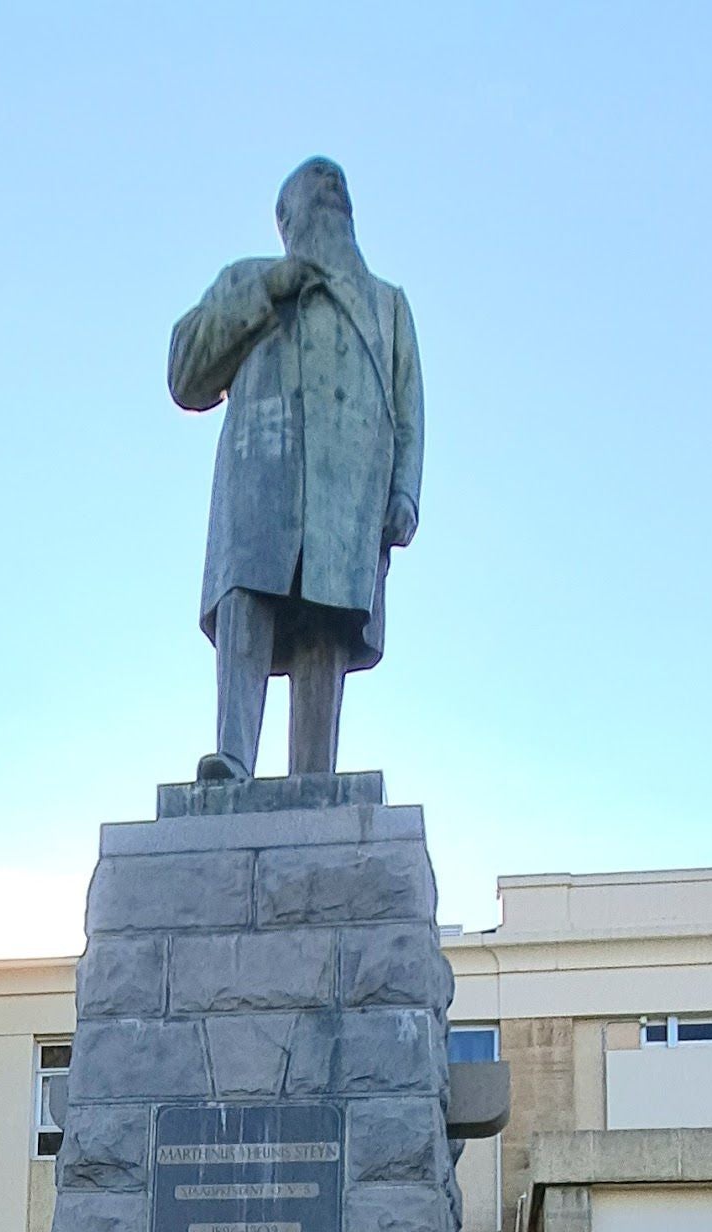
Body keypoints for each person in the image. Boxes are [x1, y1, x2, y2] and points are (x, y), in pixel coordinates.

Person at [169, 157, 423, 781]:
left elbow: (408, 407)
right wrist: (269, 291)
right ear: (286, 218)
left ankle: (315, 775)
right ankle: (234, 754)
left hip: (348, 494)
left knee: (325, 621)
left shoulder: (387, 304)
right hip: (264, 469)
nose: (334, 188)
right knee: (248, 599)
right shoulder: (250, 279)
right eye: (318, 185)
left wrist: (405, 493)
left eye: (341, 187)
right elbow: (185, 374)